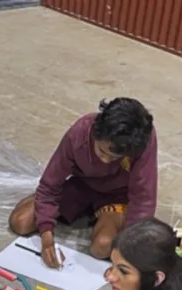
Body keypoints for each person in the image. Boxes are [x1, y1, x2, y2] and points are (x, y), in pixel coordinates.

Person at [9, 97, 158, 268]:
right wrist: (47, 237)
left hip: (117, 195)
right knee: (20, 222)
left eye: (114, 157)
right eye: (101, 151)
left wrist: (132, 248)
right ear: (96, 132)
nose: (106, 160)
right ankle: (63, 209)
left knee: (102, 246)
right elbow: (50, 185)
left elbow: (143, 199)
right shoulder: (81, 132)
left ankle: (106, 216)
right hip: (82, 184)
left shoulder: (140, 140)